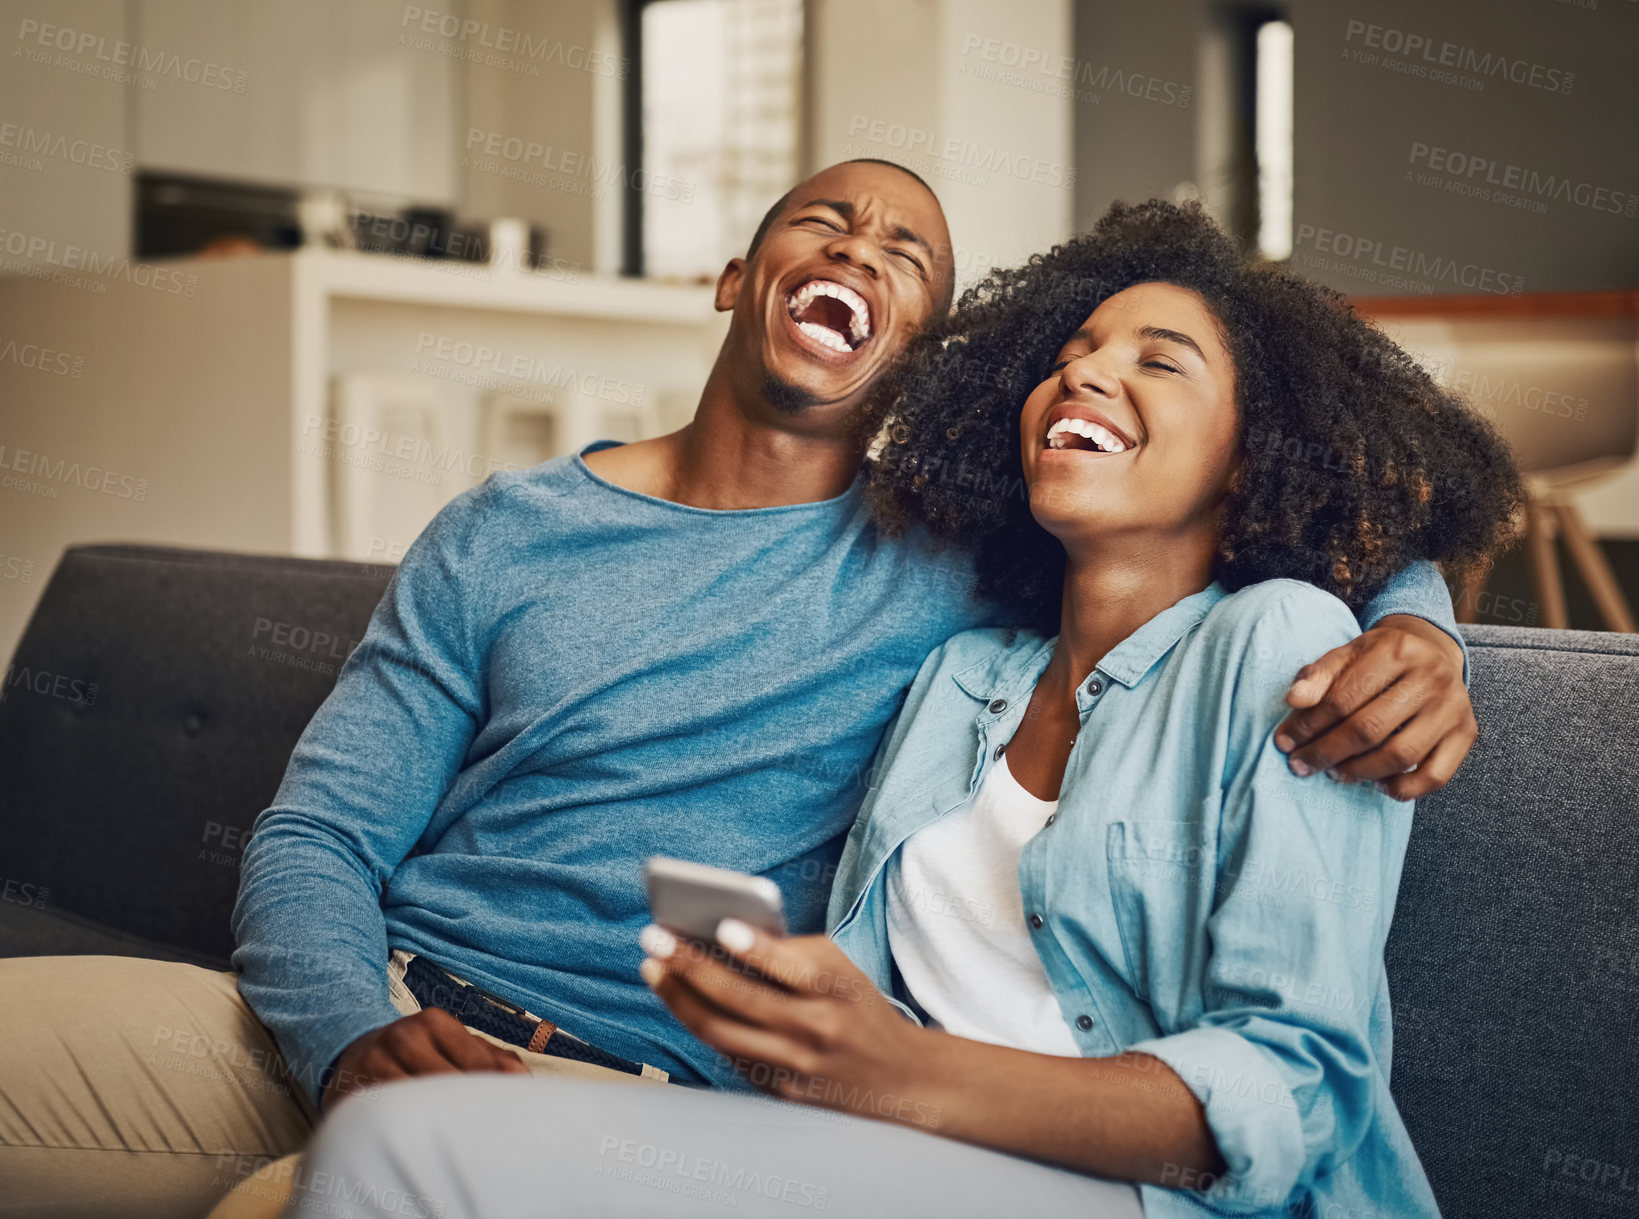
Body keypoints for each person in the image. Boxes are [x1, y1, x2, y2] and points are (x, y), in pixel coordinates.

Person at [0, 168, 1472, 1219]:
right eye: (827, 217)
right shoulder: (518, 537)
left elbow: (1295, 511)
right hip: (356, 1006)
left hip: (623, 1088)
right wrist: (341, 1037)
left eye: (913, 253)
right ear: (736, 278)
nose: (865, 243)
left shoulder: (955, 558)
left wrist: (1418, 630)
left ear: (926, 363)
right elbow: (317, 838)